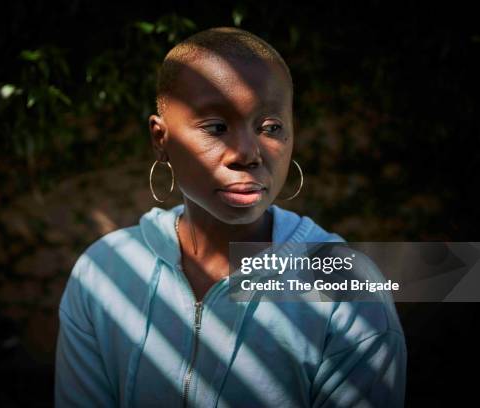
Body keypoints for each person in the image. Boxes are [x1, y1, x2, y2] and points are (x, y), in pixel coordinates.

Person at [55, 27, 407, 407]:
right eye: (216, 127)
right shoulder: (104, 272)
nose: (247, 152)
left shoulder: (346, 288)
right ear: (161, 138)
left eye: (270, 127)